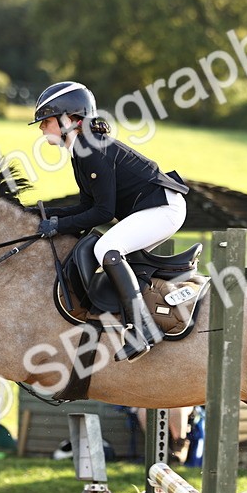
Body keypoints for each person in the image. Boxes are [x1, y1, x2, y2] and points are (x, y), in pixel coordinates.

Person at [29, 81, 189, 362]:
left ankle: (141, 328)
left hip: (165, 208)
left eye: (47, 121)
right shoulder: (82, 150)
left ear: (70, 120)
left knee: (106, 248)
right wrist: (44, 214)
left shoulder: (91, 149)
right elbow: (86, 206)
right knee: (110, 247)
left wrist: (57, 226)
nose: (42, 128)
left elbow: (103, 213)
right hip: (155, 207)